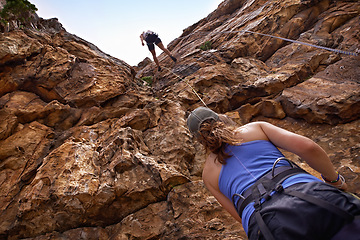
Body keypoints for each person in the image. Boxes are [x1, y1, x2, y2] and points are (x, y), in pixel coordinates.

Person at [186, 106, 360, 240]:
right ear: (218, 118)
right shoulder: (255, 129)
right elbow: (308, 147)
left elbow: (240, 218)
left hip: (266, 226)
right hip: (310, 195)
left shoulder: (208, 175)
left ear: (198, 139)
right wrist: (335, 180)